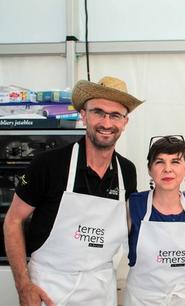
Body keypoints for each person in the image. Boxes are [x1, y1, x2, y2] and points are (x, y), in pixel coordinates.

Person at [4, 76, 143, 306]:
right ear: (83, 115)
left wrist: (183, 198)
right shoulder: (48, 164)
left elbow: (133, 221)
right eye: (98, 112)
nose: (106, 123)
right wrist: (23, 286)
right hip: (48, 287)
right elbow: (12, 221)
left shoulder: (126, 171)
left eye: (115, 115)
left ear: (125, 122)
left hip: (100, 289)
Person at [124, 135, 185, 306]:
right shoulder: (134, 205)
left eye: (175, 162)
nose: (168, 169)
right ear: (149, 169)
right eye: (160, 162)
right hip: (142, 300)